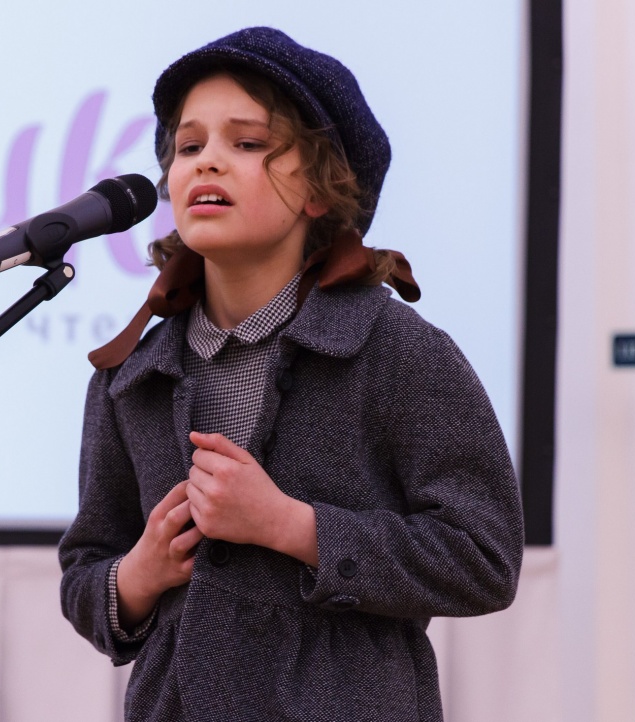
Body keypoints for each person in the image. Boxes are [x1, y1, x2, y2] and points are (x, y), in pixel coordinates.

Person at [58, 26, 523, 722]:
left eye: (248, 143)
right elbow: (86, 571)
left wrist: (293, 526)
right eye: (189, 146)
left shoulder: (396, 351)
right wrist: (137, 576)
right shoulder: (132, 376)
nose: (208, 162)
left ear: (320, 190)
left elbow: (483, 558)